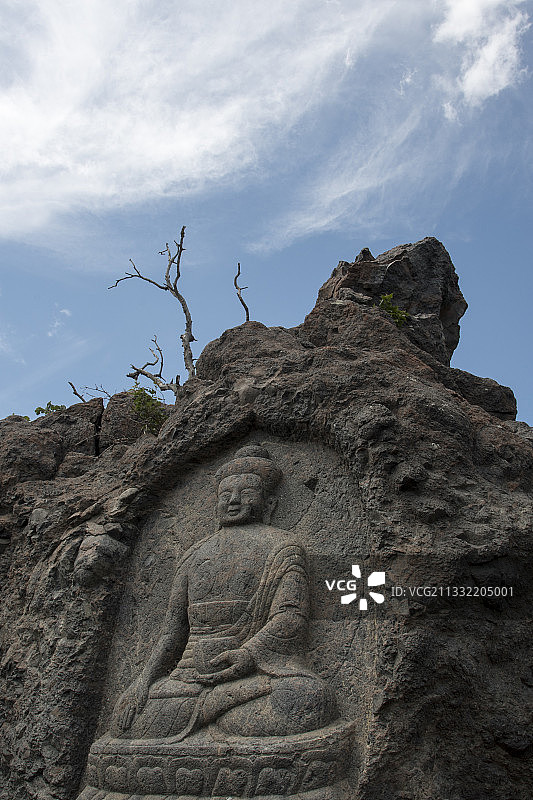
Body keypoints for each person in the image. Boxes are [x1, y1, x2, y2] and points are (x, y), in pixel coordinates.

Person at [110, 444, 336, 740]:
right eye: (225, 494)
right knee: (123, 721)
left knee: (308, 699)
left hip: (255, 677)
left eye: (246, 493)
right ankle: (214, 716)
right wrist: (142, 682)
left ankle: (207, 716)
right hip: (187, 679)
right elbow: (173, 631)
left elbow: (289, 618)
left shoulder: (283, 548)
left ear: (269, 505)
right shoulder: (194, 555)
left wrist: (248, 654)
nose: (233, 500)